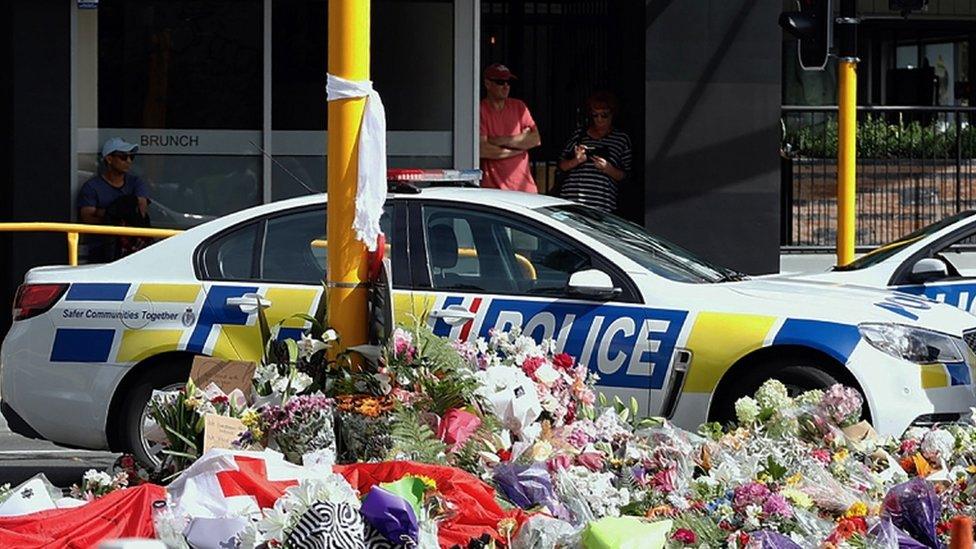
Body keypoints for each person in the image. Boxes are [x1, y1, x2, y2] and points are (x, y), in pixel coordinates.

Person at [556, 92, 632, 213]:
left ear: (613, 114)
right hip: (573, 199)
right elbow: (561, 165)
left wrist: (608, 168)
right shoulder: (579, 135)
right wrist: (576, 161)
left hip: (602, 202)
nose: (599, 120)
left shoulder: (621, 139)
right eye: (595, 115)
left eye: (604, 115)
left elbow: (626, 176)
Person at [78, 137, 151, 261]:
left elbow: (140, 211)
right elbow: (87, 217)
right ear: (109, 159)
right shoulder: (92, 186)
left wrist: (104, 212)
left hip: (134, 248)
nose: (128, 161)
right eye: (123, 157)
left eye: (131, 157)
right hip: (102, 248)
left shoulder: (136, 182)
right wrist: (113, 218)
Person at [479, 63, 541, 193]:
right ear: (487, 84)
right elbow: (483, 150)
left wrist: (498, 141)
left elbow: (535, 139)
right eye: (500, 82)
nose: (506, 86)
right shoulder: (480, 109)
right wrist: (518, 148)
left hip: (525, 187)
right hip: (493, 190)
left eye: (508, 82)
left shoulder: (519, 106)